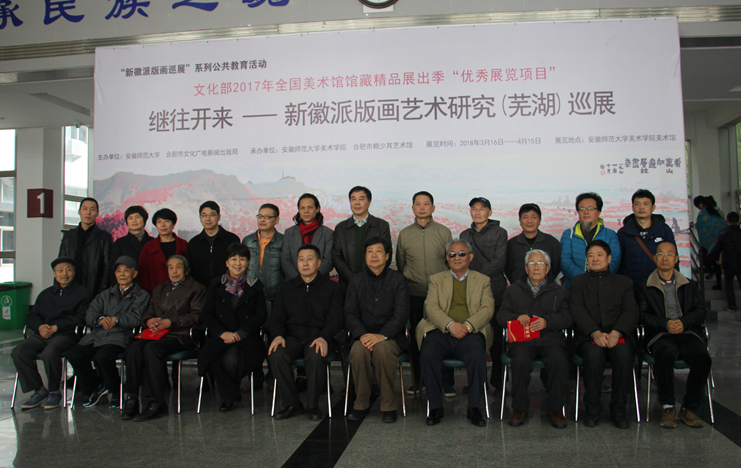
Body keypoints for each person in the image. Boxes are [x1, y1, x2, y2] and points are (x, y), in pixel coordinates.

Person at [417, 239, 494, 427]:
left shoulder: (482, 280)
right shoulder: (436, 279)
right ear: (447, 258)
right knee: (428, 354)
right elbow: (431, 307)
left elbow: (487, 308)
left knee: (477, 356)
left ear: (470, 257)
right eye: (452, 254)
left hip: (471, 332)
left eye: (461, 254)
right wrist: (450, 325)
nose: (456, 258)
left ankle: (474, 407)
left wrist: (467, 326)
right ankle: (435, 406)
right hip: (440, 330)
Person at [122, 255, 205, 421]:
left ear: (186, 270)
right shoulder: (159, 289)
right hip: (157, 333)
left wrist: (170, 322)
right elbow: (149, 310)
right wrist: (148, 320)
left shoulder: (197, 288)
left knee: (151, 349)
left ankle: (157, 402)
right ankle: (131, 398)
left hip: (181, 335)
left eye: (178, 267)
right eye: (170, 267)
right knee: (134, 348)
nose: (174, 271)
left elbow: (197, 316)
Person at [638, 242, 711, 428]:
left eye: (669, 254)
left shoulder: (689, 284)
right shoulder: (645, 287)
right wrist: (666, 324)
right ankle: (668, 407)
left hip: (687, 332)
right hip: (660, 335)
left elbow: (700, 310)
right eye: (661, 254)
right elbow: (642, 315)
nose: (665, 258)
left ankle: (690, 408)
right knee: (664, 355)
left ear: (676, 259)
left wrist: (683, 322)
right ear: (655, 258)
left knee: (702, 358)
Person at [267, 244, 344, 421]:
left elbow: (336, 319)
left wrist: (324, 337)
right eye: (301, 259)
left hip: (319, 337)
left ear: (319, 263)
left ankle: (313, 405)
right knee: (276, 354)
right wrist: (277, 335)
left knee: (316, 355)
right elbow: (276, 318)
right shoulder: (285, 288)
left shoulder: (332, 288)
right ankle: (292, 403)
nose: (305, 263)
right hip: (293, 337)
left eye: (310, 259)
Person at [496, 250, 571, 428]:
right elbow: (501, 316)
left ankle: (555, 408)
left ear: (547, 268)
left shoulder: (559, 291)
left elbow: (568, 318)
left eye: (540, 264)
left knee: (558, 359)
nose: (536, 267)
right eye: (532, 264)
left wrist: (547, 322)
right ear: (526, 268)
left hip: (550, 338)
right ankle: (519, 408)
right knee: (520, 359)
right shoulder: (513, 290)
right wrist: (516, 318)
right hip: (523, 340)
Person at [64, 256, 149, 409]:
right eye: (118, 271)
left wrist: (116, 320)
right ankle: (96, 386)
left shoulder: (142, 295)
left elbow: (138, 318)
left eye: (126, 271)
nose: (122, 274)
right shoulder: (105, 294)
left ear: (134, 274)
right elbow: (90, 313)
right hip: (98, 335)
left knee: (102, 357)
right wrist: (100, 319)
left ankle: (115, 391)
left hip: (121, 335)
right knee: (73, 354)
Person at [570, 240, 638, 429]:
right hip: (589, 336)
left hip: (618, 334)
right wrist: (595, 333)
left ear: (609, 258)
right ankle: (592, 410)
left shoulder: (624, 282)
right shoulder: (578, 283)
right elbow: (578, 311)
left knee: (624, 355)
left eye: (599, 255)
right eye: (591, 255)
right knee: (593, 356)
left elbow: (630, 311)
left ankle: (619, 410)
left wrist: (617, 332)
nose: (595, 259)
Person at [11, 257, 91, 410]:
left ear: (74, 272)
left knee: (50, 352)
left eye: (68, 270)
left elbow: (82, 317)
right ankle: (39, 390)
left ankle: (54, 391)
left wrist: (57, 327)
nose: (64, 274)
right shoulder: (46, 294)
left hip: (67, 335)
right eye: (60, 270)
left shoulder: (83, 293)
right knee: (19, 352)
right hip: (43, 334)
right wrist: (40, 326)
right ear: (54, 274)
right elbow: (32, 316)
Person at [345, 237, 410, 424]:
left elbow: (401, 314)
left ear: (387, 256)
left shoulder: (398, 280)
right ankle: (361, 403)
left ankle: (389, 405)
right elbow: (350, 313)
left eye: (379, 251)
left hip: (390, 337)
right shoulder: (356, 281)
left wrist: (382, 335)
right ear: (365, 256)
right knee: (358, 351)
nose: (374, 255)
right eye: (370, 251)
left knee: (382, 350)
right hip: (363, 336)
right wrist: (363, 335)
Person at [198, 243, 267, 412]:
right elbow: (207, 314)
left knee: (232, 360)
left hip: (246, 338)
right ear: (227, 262)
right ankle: (231, 393)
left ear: (248, 262)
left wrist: (240, 333)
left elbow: (261, 315)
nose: (238, 263)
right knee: (210, 358)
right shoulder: (216, 285)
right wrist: (222, 333)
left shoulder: (255, 286)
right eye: (233, 259)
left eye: (242, 259)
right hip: (221, 336)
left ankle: (228, 396)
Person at [396, 191, 452, 395]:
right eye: (418, 204)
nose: (422, 207)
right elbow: (401, 264)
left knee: (444, 335)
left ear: (433, 208)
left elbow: (450, 262)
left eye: (426, 204)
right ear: (412, 208)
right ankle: (419, 380)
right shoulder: (405, 234)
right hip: (414, 294)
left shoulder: (444, 232)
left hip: (440, 296)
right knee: (416, 337)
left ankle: (446, 382)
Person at [460, 196, 507, 392]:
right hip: (471, 294)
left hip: (494, 291)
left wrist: (476, 277)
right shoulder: (464, 234)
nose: (477, 212)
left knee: (496, 340)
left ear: (490, 212)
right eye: (474, 208)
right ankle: (476, 383)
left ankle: (498, 382)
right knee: (474, 338)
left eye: (482, 208)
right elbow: (461, 260)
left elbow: (499, 262)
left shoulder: (500, 233)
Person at [243, 203, 285, 388]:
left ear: (276, 220)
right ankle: (255, 377)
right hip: (252, 297)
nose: (263, 220)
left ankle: (272, 376)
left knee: (274, 336)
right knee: (253, 339)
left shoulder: (283, 241)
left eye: (267, 217)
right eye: (260, 216)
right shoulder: (247, 241)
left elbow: (286, 269)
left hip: (275, 297)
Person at [332, 186, 392, 290]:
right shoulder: (340, 228)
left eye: (361, 199)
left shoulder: (382, 226)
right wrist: (352, 278)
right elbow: (336, 257)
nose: (357, 203)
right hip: (347, 285)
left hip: (375, 284)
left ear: (369, 202)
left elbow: (387, 254)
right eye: (353, 199)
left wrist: (369, 278)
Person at [561, 192, 621, 291]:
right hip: (575, 289)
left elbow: (614, 261)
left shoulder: (610, 235)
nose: (586, 212)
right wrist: (585, 280)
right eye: (582, 209)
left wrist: (599, 280)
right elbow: (565, 262)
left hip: (603, 288)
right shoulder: (569, 234)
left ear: (599, 211)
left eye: (591, 208)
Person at [617, 189, 675, 287]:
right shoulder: (623, 232)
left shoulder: (664, 230)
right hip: (631, 287)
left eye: (646, 204)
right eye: (637, 204)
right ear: (632, 207)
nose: (641, 207)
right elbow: (619, 262)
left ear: (653, 207)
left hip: (658, 286)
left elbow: (672, 257)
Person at [59, 197, 113, 295]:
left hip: (94, 290)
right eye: (85, 209)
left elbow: (107, 266)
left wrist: (102, 291)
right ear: (79, 211)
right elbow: (60, 264)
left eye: (92, 209)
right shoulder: (69, 237)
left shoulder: (104, 237)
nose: (88, 213)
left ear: (97, 213)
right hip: (70, 290)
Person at [187, 201, 241, 288]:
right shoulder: (193, 243)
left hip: (227, 289)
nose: (208, 219)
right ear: (200, 218)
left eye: (212, 215)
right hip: (200, 291)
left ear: (219, 217)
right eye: (204, 215)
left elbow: (238, 266)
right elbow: (190, 270)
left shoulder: (232, 240)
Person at [505, 203, 561, 284]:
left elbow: (556, 268)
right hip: (518, 290)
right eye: (525, 217)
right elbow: (508, 270)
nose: (529, 221)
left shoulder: (552, 243)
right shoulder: (511, 245)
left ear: (540, 221)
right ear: (520, 221)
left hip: (546, 290)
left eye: (533, 217)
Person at [281, 193, 334, 280]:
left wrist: (312, 279)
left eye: (310, 207)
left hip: (320, 281)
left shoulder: (328, 233)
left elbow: (328, 261)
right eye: (302, 208)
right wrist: (299, 280)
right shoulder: (289, 233)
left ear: (317, 209)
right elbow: (285, 260)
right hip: (294, 282)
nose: (306, 211)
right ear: (299, 210)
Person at [137, 208, 188, 293]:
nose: (163, 225)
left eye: (167, 221)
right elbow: (142, 272)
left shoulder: (183, 244)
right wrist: (149, 291)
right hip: (156, 293)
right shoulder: (149, 247)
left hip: (182, 292)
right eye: (159, 222)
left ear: (173, 224)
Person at [109, 205, 153, 285]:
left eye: (137, 217)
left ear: (144, 219)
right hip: (128, 286)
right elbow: (114, 269)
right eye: (130, 218)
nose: (134, 221)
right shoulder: (120, 243)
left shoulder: (153, 242)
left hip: (151, 285)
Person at [710, 211, 741, 310]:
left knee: (729, 285)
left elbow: (717, 249)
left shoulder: (723, 234)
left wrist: (716, 259)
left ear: (727, 221)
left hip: (728, 264)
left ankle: (732, 306)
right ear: (739, 221)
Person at [694, 195, 725, 290]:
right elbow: (722, 225)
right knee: (716, 263)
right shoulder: (716, 212)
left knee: (704, 260)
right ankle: (718, 283)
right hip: (719, 242)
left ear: (701, 204)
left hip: (707, 243)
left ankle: (712, 271)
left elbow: (699, 225)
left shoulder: (703, 214)